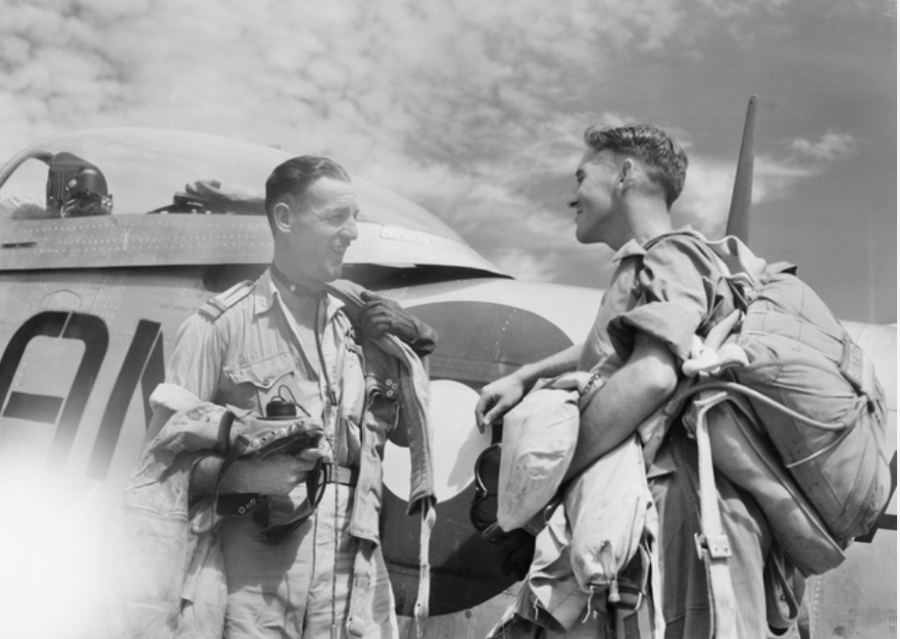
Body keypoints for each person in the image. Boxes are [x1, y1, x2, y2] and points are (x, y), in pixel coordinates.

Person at [117, 156, 437, 639]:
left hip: (353, 576)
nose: (352, 232)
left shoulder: (362, 324)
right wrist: (242, 475)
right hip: (255, 576)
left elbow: (407, 441)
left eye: (354, 218)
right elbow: (157, 470)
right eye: (335, 217)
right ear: (285, 219)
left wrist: (402, 358)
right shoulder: (220, 326)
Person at [476, 125, 772, 638]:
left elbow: (652, 375)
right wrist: (528, 375)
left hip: (656, 525)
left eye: (582, 175)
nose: (572, 195)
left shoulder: (669, 255)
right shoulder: (658, 264)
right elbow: (620, 344)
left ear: (626, 176)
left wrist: (556, 474)